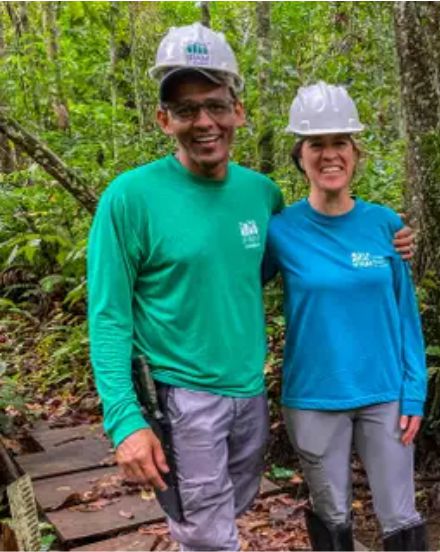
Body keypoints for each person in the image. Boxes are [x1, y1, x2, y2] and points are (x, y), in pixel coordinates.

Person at [87, 25, 414, 551]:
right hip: (180, 392)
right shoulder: (129, 199)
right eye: (186, 109)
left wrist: (389, 244)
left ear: (238, 111)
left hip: (248, 392)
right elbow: (107, 316)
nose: (204, 122)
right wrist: (125, 418)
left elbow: (275, 264)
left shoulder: (260, 195)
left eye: (215, 105)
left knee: (228, 509)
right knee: (208, 533)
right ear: (162, 119)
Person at [263, 82, 428, 551]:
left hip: (385, 395)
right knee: (331, 515)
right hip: (313, 396)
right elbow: (235, 284)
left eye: (340, 143)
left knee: (401, 516)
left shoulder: (385, 225)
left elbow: (405, 315)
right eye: (317, 144)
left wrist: (414, 391)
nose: (329, 154)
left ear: (356, 154)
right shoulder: (281, 230)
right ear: (301, 155)